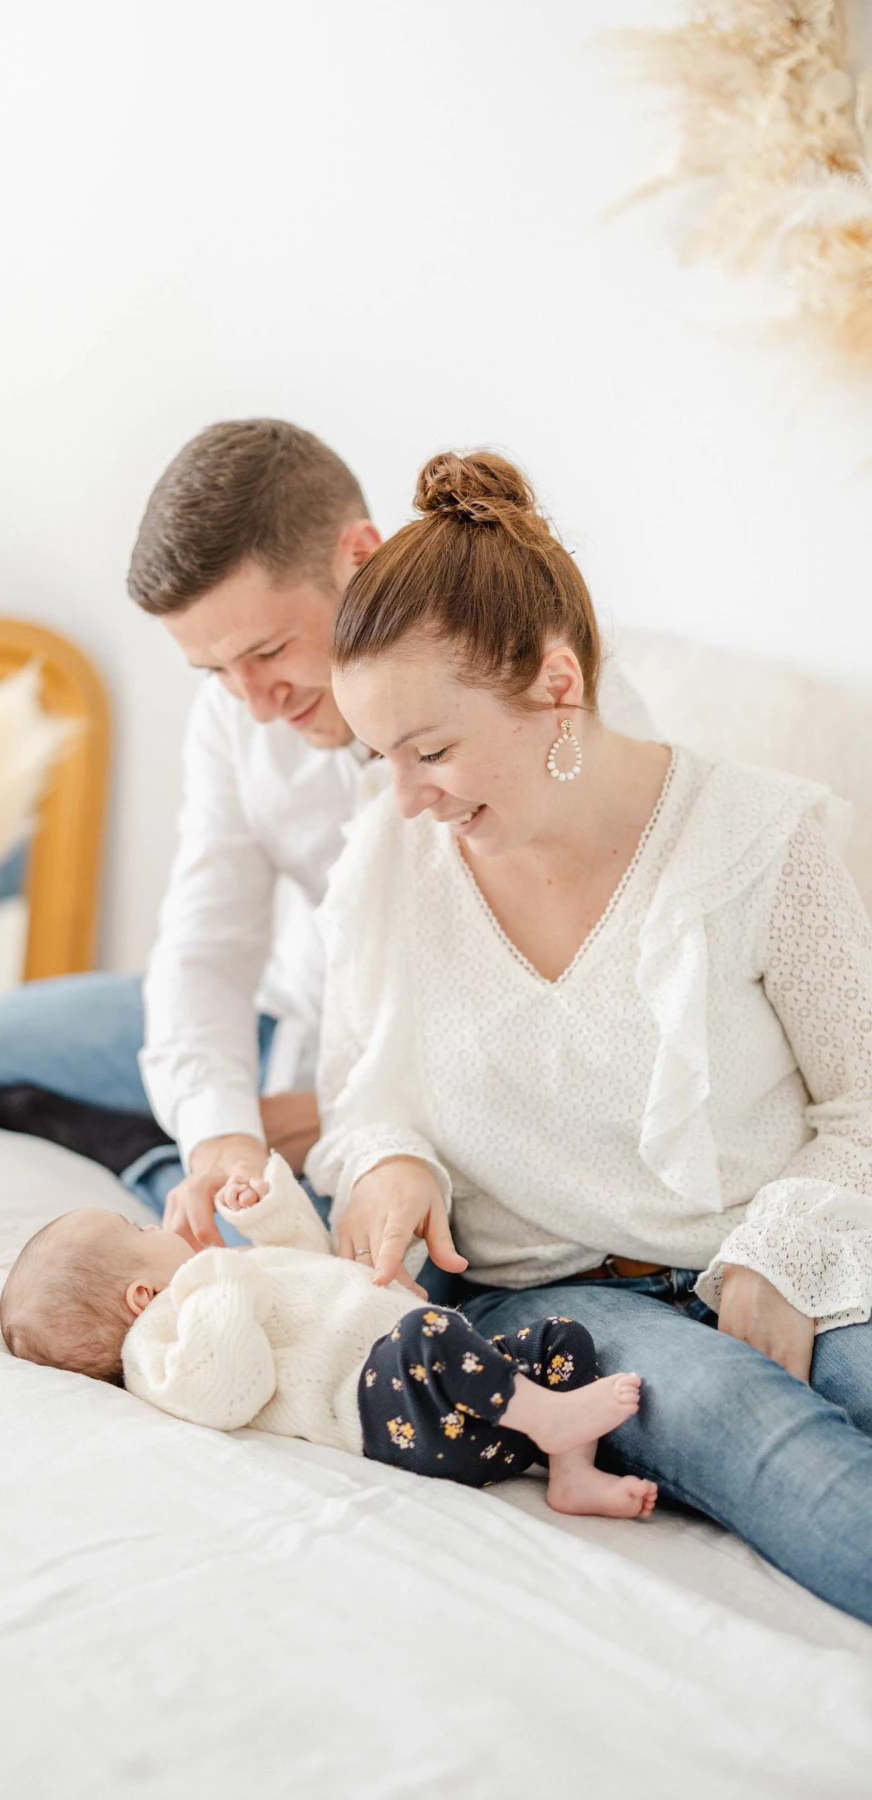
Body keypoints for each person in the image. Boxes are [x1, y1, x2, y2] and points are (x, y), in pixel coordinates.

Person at [0, 421, 651, 1257]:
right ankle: (158, 1141)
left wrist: (333, 1109)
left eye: (269, 650)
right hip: (274, 1021)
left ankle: (130, 1144)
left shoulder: (514, 697)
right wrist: (222, 1137)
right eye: (215, 670)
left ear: (359, 553)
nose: (253, 700)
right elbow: (206, 948)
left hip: (389, 1081)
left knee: (268, 1257)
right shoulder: (235, 717)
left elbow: (578, 1007)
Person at [300, 445, 872, 1622]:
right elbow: (357, 1100)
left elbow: (861, 1105)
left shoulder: (767, 840)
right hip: (555, 1296)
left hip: (772, 1250)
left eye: (434, 750)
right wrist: (392, 1160)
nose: (406, 797)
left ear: (557, 685)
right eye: (379, 757)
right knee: (749, 1430)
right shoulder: (393, 861)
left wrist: (785, 1246)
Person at [0, 1152, 658, 1521]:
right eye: (139, 1233)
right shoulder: (163, 1341)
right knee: (426, 1334)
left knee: (562, 1339)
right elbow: (230, 1391)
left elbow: (312, 1263)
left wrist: (259, 1212)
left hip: (461, 1401)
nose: (156, 1229)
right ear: (139, 1297)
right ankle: (546, 1418)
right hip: (389, 1416)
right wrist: (222, 1276)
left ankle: (573, 1474)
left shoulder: (219, 1279)